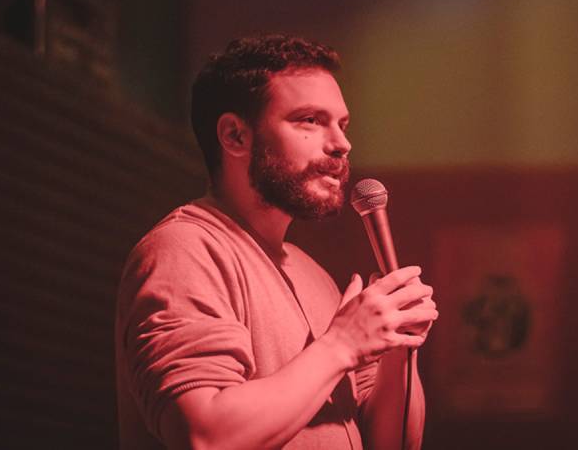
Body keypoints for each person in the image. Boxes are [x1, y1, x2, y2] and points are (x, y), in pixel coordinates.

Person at [114, 34, 438, 450]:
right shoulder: (184, 250)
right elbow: (206, 436)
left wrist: (394, 344)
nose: (342, 144)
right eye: (310, 120)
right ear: (235, 136)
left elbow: (387, 443)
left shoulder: (315, 276)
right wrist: (343, 344)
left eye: (342, 125)